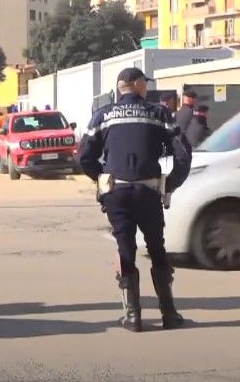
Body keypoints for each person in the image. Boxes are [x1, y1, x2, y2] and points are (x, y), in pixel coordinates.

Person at [78, 67, 191, 333]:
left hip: (116, 192)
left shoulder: (101, 116)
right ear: (138, 84)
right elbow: (183, 155)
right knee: (157, 249)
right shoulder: (159, 114)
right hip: (149, 191)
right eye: (144, 83)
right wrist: (170, 183)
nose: (146, 87)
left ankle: (133, 317)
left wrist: (102, 180)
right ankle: (169, 314)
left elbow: (84, 157)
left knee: (126, 250)